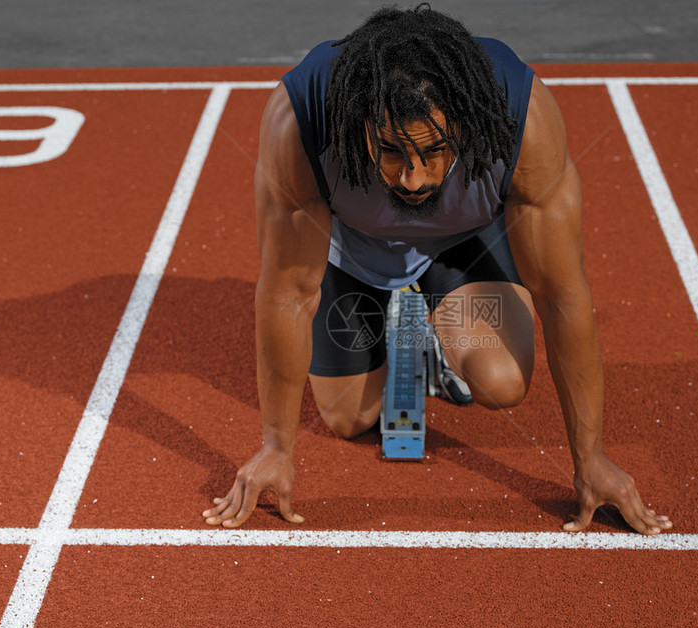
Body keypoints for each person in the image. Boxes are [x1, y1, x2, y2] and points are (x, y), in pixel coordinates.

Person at [203, 4, 672, 535]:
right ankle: (400, 312)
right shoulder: (302, 121)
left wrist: (591, 458)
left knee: (502, 385)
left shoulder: (522, 117)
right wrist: (275, 446)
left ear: (467, 124)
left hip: (463, 242)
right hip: (353, 247)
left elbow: (562, 294)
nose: (412, 178)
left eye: (434, 152)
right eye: (389, 151)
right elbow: (289, 293)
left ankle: (432, 331)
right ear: (357, 121)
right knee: (345, 420)